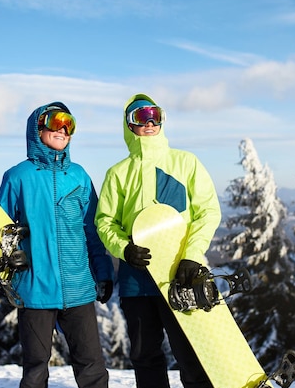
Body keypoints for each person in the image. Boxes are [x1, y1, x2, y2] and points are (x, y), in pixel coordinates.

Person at [94, 93, 222, 388]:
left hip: (179, 274)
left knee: (191, 353)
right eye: (141, 116)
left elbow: (208, 211)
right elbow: (105, 222)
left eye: (155, 114)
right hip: (136, 280)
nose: (149, 122)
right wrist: (124, 249)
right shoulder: (118, 173)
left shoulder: (185, 162)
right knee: (145, 355)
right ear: (129, 126)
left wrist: (192, 254)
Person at [0, 102, 114, 388]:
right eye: (55, 121)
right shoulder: (17, 177)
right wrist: (7, 261)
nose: (62, 129)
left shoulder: (79, 176)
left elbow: (93, 230)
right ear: (37, 128)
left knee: (92, 368)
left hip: (79, 288)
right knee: (36, 368)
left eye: (69, 124)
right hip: (35, 288)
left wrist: (104, 273)